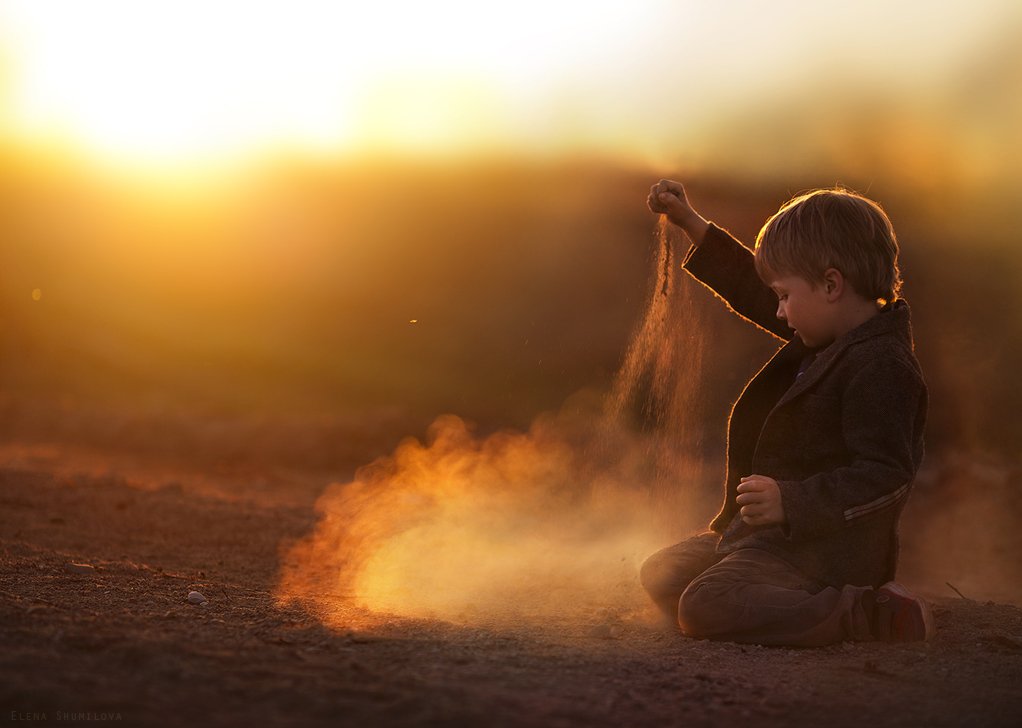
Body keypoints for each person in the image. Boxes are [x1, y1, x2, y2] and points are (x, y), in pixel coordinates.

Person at [639, 179, 931, 646]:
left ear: (832, 284)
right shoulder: (831, 331)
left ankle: (868, 615)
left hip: (825, 551)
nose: (777, 312)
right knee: (662, 573)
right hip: (770, 537)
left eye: (784, 296)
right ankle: (766, 593)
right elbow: (753, 287)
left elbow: (886, 477)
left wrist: (790, 502)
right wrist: (692, 223)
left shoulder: (882, 366)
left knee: (704, 605)